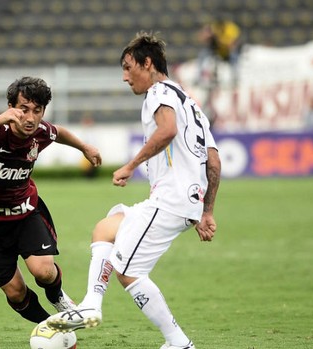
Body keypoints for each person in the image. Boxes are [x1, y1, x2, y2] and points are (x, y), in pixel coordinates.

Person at [47, 32, 222, 349]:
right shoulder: (190, 103)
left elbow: (167, 131)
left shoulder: (158, 93)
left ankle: (178, 343)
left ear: (148, 63)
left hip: (170, 201)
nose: (125, 77)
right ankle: (91, 304)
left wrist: (130, 165)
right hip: (179, 201)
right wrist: (206, 211)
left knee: (128, 271)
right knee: (105, 229)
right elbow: (213, 160)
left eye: (129, 68)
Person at [0, 76, 102, 323]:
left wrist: (85, 147)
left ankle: (57, 297)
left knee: (44, 271)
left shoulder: (40, 132)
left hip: (23, 211)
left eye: (37, 110)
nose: (30, 118)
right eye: (23, 109)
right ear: (12, 107)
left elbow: (59, 133)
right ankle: (51, 326)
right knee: (16, 292)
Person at [196, 16, 241, 86]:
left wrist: (221, 41)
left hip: (228, 52)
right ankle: (199, 78)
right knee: (203, 54)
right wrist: (207, 35)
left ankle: (235, 79)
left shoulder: (231, 28)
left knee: (234, 57)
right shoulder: (214, 27)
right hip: (217, 50)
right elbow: (201, 37)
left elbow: (234, 44)